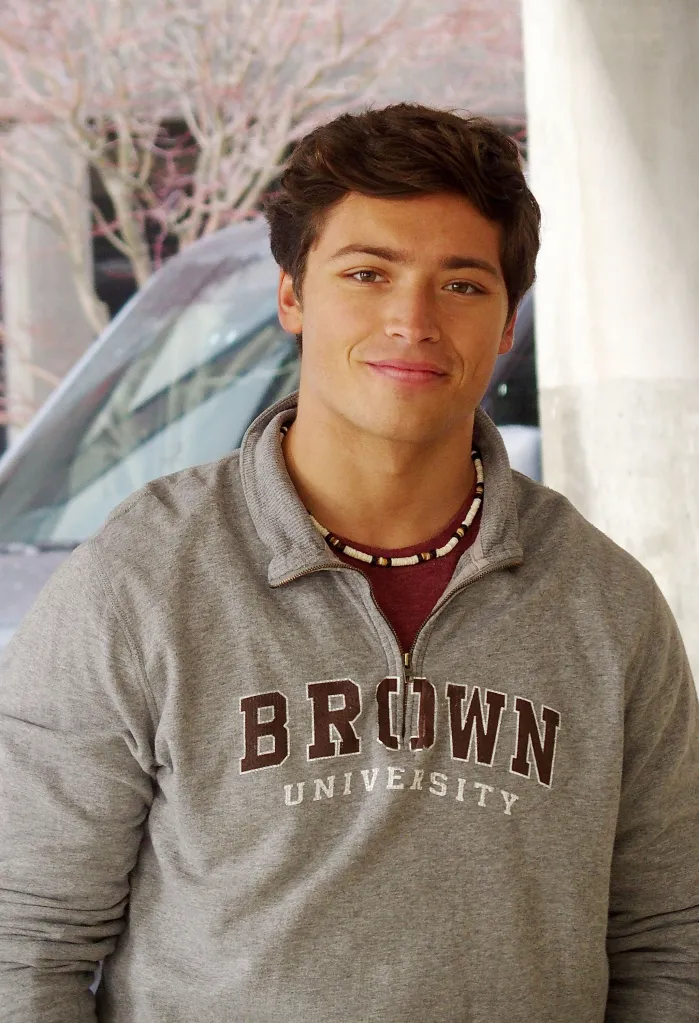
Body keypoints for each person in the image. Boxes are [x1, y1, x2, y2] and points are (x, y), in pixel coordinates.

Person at [0, 103, 697, 1023]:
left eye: (460, 285)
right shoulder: (140, 581)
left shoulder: (606, 604)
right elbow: (24, 942)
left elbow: (667, 940)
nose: (410, 320)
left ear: (505, 325)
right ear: (293, 295)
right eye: (367, 273)